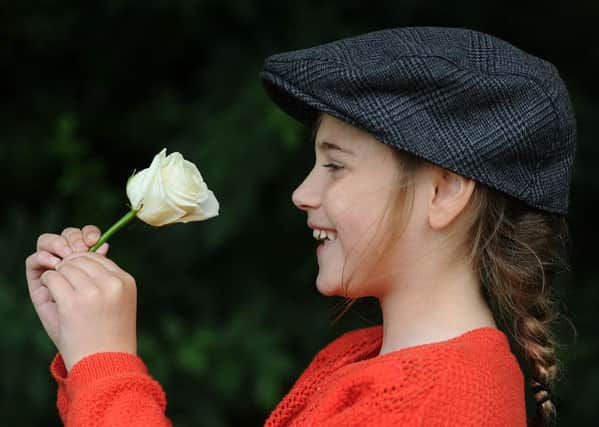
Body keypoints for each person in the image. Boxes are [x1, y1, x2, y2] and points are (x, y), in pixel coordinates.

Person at [24, 26, 576, 427]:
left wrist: (104, 362)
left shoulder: (439, 402)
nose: (302, 193)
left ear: (444, 191)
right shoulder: (361, 358)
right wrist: (84, 352)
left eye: (335, 165)